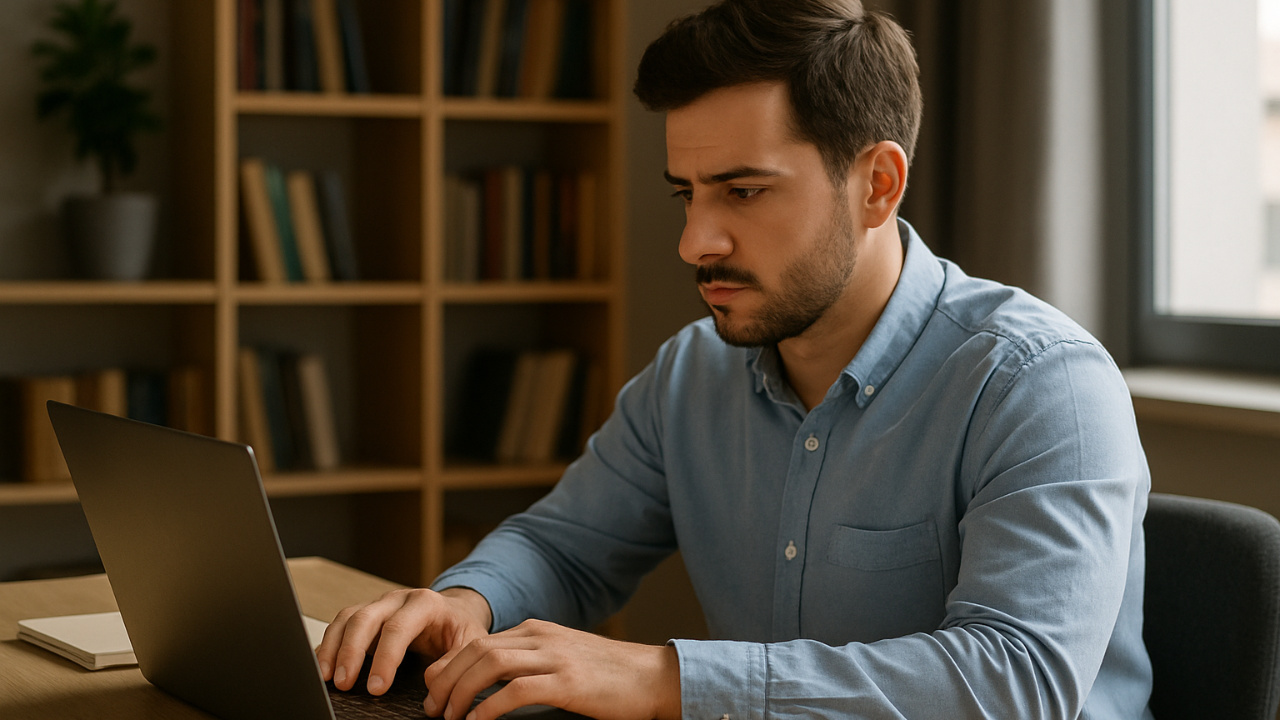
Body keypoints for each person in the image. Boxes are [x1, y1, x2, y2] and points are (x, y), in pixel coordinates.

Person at [316, 0, 1153, 718]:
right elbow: (564, 548)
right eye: (687, 193)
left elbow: (1017, 680)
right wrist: (468, 601)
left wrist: (666, 680)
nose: (695, 242)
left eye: (743, 192)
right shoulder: (692, 375)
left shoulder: (1039, 383)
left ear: (877, 184)